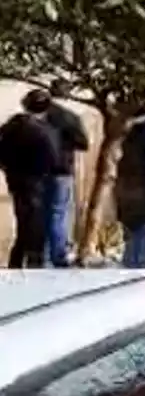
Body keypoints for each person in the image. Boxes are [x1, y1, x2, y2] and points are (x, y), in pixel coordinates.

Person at [0, 91, 59, 268]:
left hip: (16, 180)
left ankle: (17, 259)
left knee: (23, 219)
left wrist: (8, 168)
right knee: (35, 221)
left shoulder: (10, 127)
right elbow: (53, 158)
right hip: (37, 180)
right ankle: (34, 259)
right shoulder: (43, 130)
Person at [44, 80, 89, 266]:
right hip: (62, 169)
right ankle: (57, 255)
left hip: (36, 172)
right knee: (58, 213)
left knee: (43, 213)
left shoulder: (39, 115)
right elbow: (83, 143)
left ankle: (40, 255)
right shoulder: (70, 117)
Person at [116, 112, 145, 267]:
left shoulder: (126, 147)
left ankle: (131, 263)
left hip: (127, 193)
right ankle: (140, 265)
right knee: (144, 231)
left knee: (132, 233)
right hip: (143, 192)